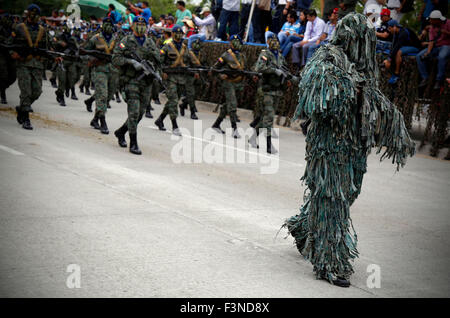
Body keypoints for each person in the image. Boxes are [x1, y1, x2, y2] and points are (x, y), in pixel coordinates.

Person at [283, 13, 415, 288]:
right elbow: (318, 100)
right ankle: (330, 261)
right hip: (328, 146)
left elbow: (374, 100)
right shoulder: (327, 59)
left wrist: (394, 126)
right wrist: (351, 89)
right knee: (333, 199)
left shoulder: (363, 66)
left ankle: (304, 226)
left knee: (347, 192)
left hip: (355, 145)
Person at [112, 16, 161, 155]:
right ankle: (133, 143)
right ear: (133, 26)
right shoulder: (126, 41)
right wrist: (131, 62)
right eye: (137, 24)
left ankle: (121, 132)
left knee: (140, 113)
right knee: (133, 112)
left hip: (146, 83)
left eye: (143, 24)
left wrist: (155, 71)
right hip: (131, 80)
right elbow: (115, 58)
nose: (140, 26)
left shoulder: (150, 42)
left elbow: (158, 61)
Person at [250, 31, 292, 154]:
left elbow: (284, 69)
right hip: (266, 90)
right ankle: (269, 146)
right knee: (269, 116)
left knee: (266, 118)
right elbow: (260, 68)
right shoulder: (265, 54)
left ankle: (253, 138)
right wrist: (273, 70)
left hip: (277, 90)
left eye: (276, 41)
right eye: (272, 40)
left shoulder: (280, 56)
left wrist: (288, 78)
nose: (275, 43)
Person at [10, 4, 49, 130]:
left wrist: (54, 57)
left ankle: (22, 108)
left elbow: (48, 48)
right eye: (32, 14)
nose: (34, 17)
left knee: (37, 91)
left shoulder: (43, 30)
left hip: (37, 64)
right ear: (28, 15)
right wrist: (13, 54)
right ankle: (26, 118)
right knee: (26, 91)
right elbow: (9, 44)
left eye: (36, 14)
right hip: (23, 63)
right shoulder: (19, 28)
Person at [83, 17, 117, 134]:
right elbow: (85, 52)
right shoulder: (95, 38)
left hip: (112, 71)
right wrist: (92, 60)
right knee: (102, 95)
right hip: (99, 70)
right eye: (106, 23)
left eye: (110, 24)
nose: (108, 26)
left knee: (108, 97)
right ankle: (103, 121)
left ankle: (95, 119)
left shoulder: (116, 40)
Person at [154, 25, 188, 136]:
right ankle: (175, 125)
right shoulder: (167, 47)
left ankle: (160, 119)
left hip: (181, 78)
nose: (178, 35)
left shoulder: (184, 47)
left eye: (180, 33)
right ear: (172, 34)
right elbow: (159, 62)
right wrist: (162, 72)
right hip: (170, 78)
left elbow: (189, 61)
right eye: (176, 33)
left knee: (172, 101)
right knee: (173, 100)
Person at [211, 34, 246, 139]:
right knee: (232, 104)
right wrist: (221, 75)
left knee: (227, 105)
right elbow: (215, 68)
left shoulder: (242, 56)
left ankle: (216, 124)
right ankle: (234, 129)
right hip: (228, 82)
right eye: (233, 42)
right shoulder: (226, 55)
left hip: (238, 83)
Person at [416, 10, 450, 90]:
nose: (430, 21)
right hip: (436, 46)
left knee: (441, 57)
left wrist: (446, 32)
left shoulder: (448, 23)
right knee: (419, 56)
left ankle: (439, 80)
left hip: (447, 45)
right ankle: (425, 77)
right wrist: (428, 52)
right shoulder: (431, 28)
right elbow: (431, 41)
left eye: (431, 19)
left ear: (437, 20)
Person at [383, 19, 421, 85]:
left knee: (398, 52)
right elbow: (393, 46)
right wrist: (388, 57)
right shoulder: (396, 33)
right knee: (391, 50)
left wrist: (389, 60)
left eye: (390, 28)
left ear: (395, 27)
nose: (389, 31)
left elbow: (397, 46)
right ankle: (392, 70)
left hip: (415, 47)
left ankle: (396, 73)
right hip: (406, 46)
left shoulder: (403, 33)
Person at [52, 22, 79, 105]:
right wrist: (59, 43)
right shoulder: (58, 37)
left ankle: (60, 92)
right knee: (62, 80)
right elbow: (52, 45)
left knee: (72, 79)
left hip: (71, 61)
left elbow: (77, 48)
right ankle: (61, 97)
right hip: (62, 61)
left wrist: (75, 52)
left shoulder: (72, 38)